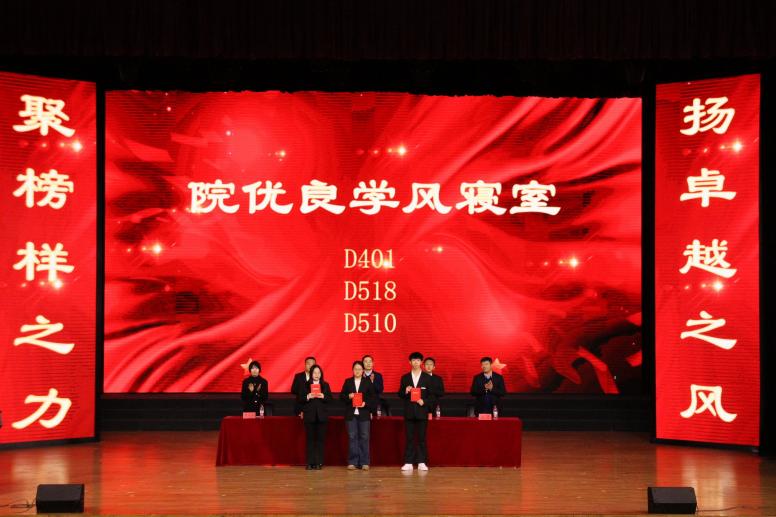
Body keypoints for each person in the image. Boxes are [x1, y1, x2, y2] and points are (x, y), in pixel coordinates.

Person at [398, 352, 435, 471]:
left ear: (421, 362)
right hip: (409, 412)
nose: (416, 362)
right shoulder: (405, 377)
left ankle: (421, 461)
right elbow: (400, 394)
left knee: (421, 438)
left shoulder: (427, 378)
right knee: (409, 438)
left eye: (418, 360)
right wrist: (405, 390)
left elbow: (432, 396)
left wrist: (424, 401)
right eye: (413, 360)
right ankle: (408, 462)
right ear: (410, 362)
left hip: (422, 412)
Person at [339, 360, 376, 470]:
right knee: (352, 437)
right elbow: (341, 397)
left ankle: (365, 462)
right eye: (355, 369)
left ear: (363, 370)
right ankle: (353, 462)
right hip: (351, 414)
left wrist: (365, 403)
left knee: (364, 437)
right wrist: (348, 396)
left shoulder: (367, 382)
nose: (357, 371)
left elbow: (373, 398)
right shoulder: (348, 382)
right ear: (352, 370)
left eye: (359, 369)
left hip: (364, 413)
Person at [298, 364, 333, 470]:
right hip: (310, 416)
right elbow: (300, 399)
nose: (317, 375)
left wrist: (324, 396)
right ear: (311, 374)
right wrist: (308, 396)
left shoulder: (325, 385)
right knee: (310, 440)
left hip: (322, 417)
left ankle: (319, 462)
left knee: (320, 440)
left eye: (319, 373)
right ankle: (310, 462)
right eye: (314, 372)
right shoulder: (305, 385)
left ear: (321, 374)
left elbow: (330, 399)